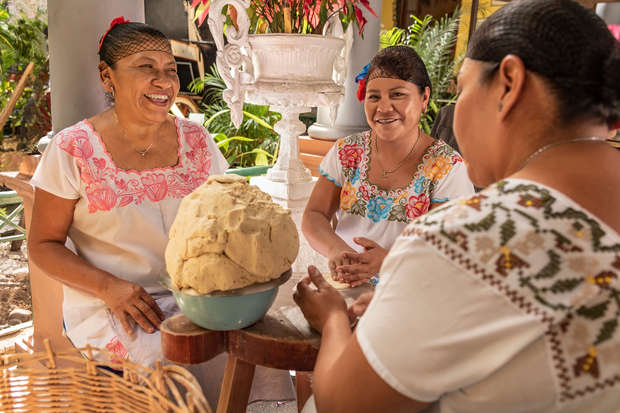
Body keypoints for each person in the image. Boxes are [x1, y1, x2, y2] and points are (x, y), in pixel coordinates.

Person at [294, 0, 620, 412]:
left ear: (508, 83)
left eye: (463, 88)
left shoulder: (462, 237)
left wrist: (333, 318)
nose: (456, 108)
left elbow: (343, 403)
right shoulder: (349, 153)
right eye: (374, 96)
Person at [27, 18, 228, 367]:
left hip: (196, 295)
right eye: (145, 67)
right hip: (109, 303)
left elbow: (225, 213)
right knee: (165, 360)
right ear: (107, 76)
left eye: (170, 68)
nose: (163, 81)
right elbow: (43, 245)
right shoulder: (74, 148)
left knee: (247, 346)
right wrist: (108, 287)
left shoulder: (197, 140)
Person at [302, 46, 474, 286]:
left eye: (397, 95)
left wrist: (390, 260)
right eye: (374, 96)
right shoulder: (347, 152)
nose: (383, 108)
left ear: (424, 98)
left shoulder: (447, 168)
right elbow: (315, 215)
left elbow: (449, 251)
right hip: (347, 287)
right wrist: (337, 251)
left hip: (410, 296)